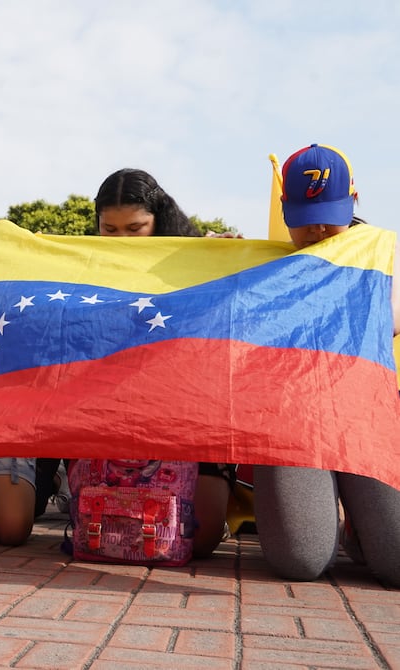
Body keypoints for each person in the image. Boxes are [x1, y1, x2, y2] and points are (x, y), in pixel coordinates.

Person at [253, 144, 400, 587]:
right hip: (294, 419)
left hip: (367, 417)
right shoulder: (265, 264)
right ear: (284, 209)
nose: (316, 228)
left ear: (354, 201)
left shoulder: (385, 255)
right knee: (301, 561)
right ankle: (337, 513)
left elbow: (383, 324)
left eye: (329, 212)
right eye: (303, 215)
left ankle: (360, 522)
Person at [93, 167, 235, 559]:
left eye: (135, 228)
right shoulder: (85, 271)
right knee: (118, 533)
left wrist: (229, 257)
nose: (122, 240)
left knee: (198, 538)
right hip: (122, 423)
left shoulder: (195, 259)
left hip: (190, 422)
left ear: (160, 219)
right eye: (110, 230)